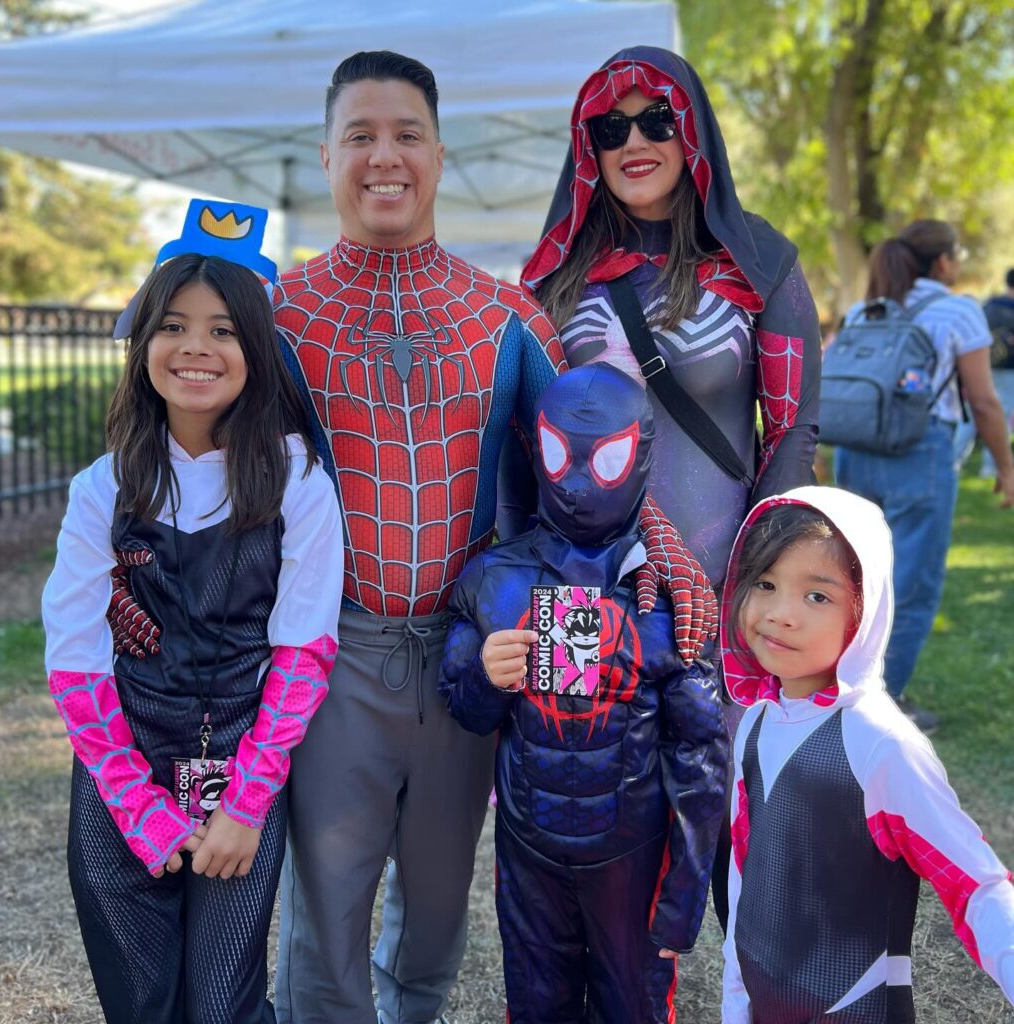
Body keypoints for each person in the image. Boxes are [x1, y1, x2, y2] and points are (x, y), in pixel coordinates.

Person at [269, 50, 716, 1024]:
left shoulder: (505, 315)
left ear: (438, 152)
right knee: (326, 916)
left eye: (406, 134)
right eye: (360, 135)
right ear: (325, 154)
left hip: (476, 656)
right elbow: (198, 458)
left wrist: (668, 552)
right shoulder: (277, 315)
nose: (384, 157)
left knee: (433, 917)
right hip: (334, 651)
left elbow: (583, 453)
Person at [521, 44, 821, 933]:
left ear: (694, 133)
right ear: (588, 152)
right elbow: (523, 448)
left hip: (722, 593)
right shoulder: (549, 281)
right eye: (610, 128)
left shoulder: (758, 259)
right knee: (585, 835)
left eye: (657, 118)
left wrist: (760, 584)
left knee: (736, 833)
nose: (634, 140)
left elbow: (793, 428)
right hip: (586, 595)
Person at [42, 201, 344, 1024]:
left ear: (258, 348)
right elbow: (74, 660)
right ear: (143, 343)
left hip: (244, 779)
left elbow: (304, 651)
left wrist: (245, 808)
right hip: (118, 783)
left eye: (223, 330)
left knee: (224, 1005)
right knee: (140, 1002)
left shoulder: (297, 483)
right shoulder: (102, 487)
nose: (196, 349)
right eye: (173, 325)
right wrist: (139, 809)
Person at [439, 364, 728, 1023]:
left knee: (634, 1006)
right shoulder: (494, 580)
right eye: (559, 454)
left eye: (608, 459)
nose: (576, 484)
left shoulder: (671, 599)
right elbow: (466, 708)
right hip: (530, 847)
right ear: (535, 448)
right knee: (537, 1002)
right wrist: (486, 671)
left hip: (632, 855)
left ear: (641, 456)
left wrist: (682, 893)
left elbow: (702, 755)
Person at [720, 486, 1014, 1022]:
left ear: (864, 612)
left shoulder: (879, 742)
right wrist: (735, 1001)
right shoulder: (756, 724)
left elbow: (976, 885)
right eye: (764, 584)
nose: (780, 613)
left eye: (817, 596)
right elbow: (747, 874)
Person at [834, 221, 1014, 733]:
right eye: (957, 255)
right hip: (921, 452)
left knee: (851, 577)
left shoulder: (863, 308)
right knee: (912, 583)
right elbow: (982, 399)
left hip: (856, 450)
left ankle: (834, 687)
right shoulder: (958, 310)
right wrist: (1005, 465)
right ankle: (880, 705)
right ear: (942, 262)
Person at [979, 267, 1014, 476]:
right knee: (1002, 417)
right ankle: (991, 466)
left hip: (985, 367)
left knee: (981, 415)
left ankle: (959, 457)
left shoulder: (989, 306)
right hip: (1008, 370)